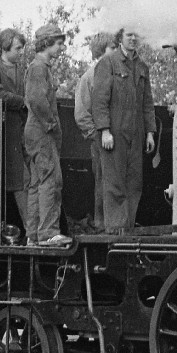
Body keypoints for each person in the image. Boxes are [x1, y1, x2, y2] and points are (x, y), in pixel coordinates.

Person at [91, 26, 157, 233]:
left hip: (136, 134)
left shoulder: (142, 67)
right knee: (114, 184)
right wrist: (104, 130)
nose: (133, 38)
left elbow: (147, 103)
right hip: (115, 134)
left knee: (134, 183)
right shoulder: (107, 63)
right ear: (120, 38)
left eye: (136, 34)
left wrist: (150, 132)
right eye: (129, 34)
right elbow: (99, 101)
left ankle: (127, 230)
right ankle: (115, 232)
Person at [24, 23, 70, 246]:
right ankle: (48, 233)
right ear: (47, 43)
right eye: (59, 43)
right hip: (42, 132)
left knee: (37, 183)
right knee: (51, 180)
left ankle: (33, 235)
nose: (62, 48)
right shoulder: (39, 68)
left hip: (35, 132)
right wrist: (51, 123)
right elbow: (36, 99)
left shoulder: (39, 67)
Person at [0, 28, 29, 233]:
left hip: (23, 129)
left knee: (26, 180)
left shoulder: (24, 70)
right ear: (4, 49)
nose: (21, 52)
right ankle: (29, 230)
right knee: (19, 181)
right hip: (3, 131)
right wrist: (24, 102)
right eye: (18, 48)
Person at [73, 31, 115, 233]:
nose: (116, 52)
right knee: (102, 183)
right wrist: (97, 136)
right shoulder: (89, 77)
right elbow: (81, 114)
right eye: (112, 48)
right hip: (101, 140)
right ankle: (101, 225)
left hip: (116, 139)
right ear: (102, 50)